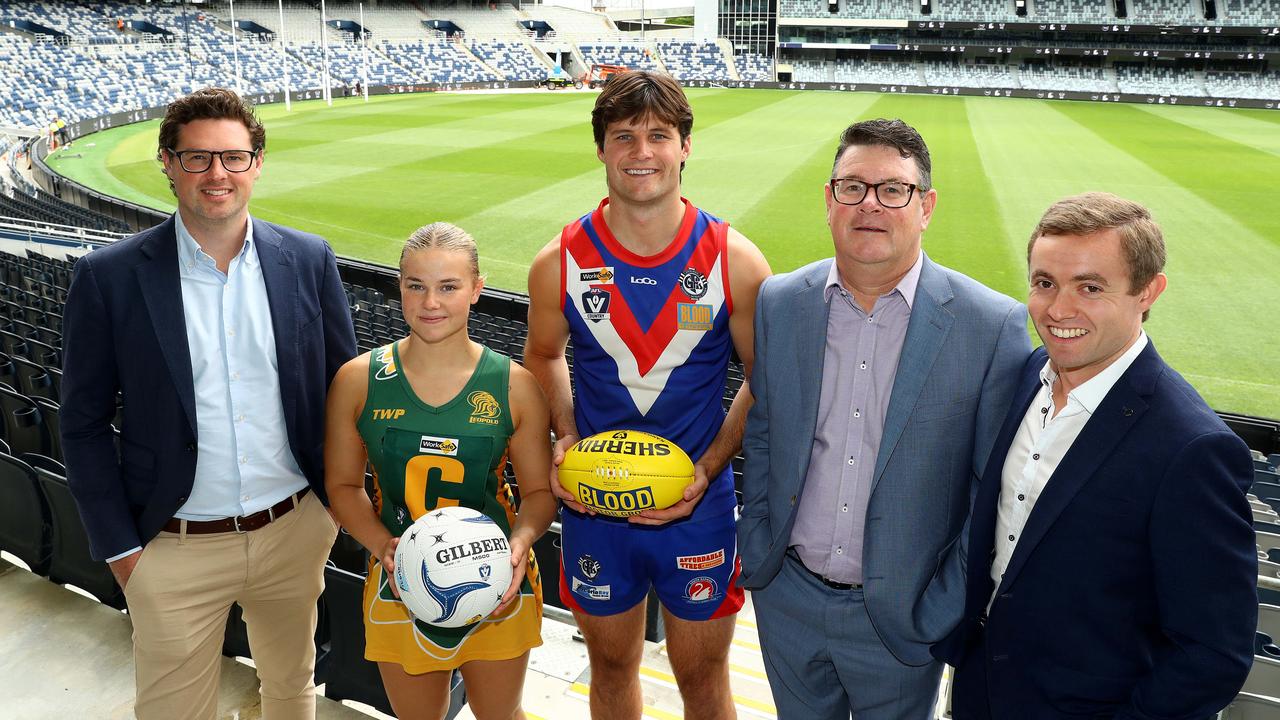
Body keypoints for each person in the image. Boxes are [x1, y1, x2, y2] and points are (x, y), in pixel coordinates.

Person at [60, 87, 357, 719]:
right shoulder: (108, 277)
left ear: (257, 163)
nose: (217, 174)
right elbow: (82, 425)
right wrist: (121, 549)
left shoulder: (308, 259)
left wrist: (329, 511)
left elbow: (344, 392)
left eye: (233, 157)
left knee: (291, 689)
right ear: (167, 163)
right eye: (197, 158)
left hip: (295, 530)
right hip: (171, 545)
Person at [737, 118, 1031, 720]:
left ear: (925, 207)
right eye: (852, 187)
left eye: (893, 189)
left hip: (901, 623)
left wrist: (938, 605)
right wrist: (759, 547)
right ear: (829, 201)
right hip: (786, 597)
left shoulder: (991, 325)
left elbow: (991, 490)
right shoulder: (781, 301)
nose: (870, 204)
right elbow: (765, 434)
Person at [935, 192, 1257, 719]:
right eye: (1045, 283)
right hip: (980, 694)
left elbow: (1214, 653)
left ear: (1148, 292)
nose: (1059, 310)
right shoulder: (1024, 376)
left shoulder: (1193, 449)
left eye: (1090, 287)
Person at [524, 70, 771, 720]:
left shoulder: (733, 261)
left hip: (701, 507)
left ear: (685, 146)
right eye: (623, 135)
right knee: (609, 669)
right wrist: (568, 436)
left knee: (703, 680)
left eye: (658, 135)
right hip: (593, 504)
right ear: (601, 148)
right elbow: (544, 356)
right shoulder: (559, 261)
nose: (641, 152)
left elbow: (763, 379)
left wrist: (708, 466)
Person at [324, 222, 556, 720]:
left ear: (477, 289)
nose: (431, 302)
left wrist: (519, 545)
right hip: (399, 580)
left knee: (501, 715)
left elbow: (539, 492)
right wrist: (382, 545)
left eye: (448, 286)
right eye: (416, 285)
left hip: (498, 582)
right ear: (399, 286)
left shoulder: (515, 385)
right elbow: (342, 487)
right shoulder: (358, 379)